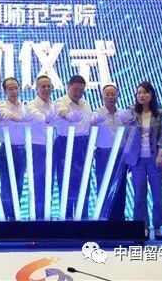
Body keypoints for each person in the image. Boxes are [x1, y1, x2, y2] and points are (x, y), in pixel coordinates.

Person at [124, 81, 162, 240]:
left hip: (155, 160)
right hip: (137, 161)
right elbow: (126, 132)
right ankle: (142, 226)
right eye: (139, 93)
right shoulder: (131, 112)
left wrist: (160, 154)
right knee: (139, 196)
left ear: (151, 94)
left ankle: (157, 227)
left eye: (145, 92)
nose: (141, 95)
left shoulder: (159, 113)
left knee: (157, 195)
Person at [53, 75, 92, 219]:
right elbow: (63, 113)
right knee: (66, 184)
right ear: (68, 87)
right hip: (65, 144)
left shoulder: (85, 104)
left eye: (81, 90)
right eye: (76, 89)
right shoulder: (60, 102)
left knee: (84, 184)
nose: (78, 93)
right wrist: (69, 117)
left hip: (84, 145)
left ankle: (83, 218)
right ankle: (67, 219)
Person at [0, 77, 32, 220]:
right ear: (5, 91)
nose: (14, 91)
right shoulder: (2, 107)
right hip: (7, 150)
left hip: (22, 150)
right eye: (10, 89)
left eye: (16, 88)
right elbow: (9, 116)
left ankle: (16, 215)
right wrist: (22, 119)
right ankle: (7, 216)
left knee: (19, 183)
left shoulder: (23, 107)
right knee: (6, 185)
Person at [93, 84, 128, 221]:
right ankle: (104, 219)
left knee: (120, 187)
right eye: (107, 94)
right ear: (102, 96)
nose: (110, 97)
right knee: (103, 186)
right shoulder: (97, 113)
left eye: (113, 94)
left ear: (117, 96)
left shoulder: (123, 114)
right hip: (103, 155)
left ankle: (119, 219)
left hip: (120, 154)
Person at [26, 75, 57, 220]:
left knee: (49, 183)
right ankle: (36, 218)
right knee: (37, 184)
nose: (46, 89)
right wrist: (50, 119)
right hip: (37, 148)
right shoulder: (32, 105)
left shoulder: (52, 104)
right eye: (43, 86)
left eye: (48, 86)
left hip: (52, 147)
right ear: (36, 89)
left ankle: (46, 216)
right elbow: (43, 119)